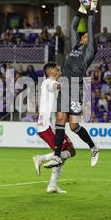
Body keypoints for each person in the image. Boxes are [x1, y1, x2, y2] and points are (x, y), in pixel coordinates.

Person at [47, 0, 100, 168]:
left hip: (76, 87)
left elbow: (90, 28)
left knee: (74, 125)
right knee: (60, 118)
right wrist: (81, 8)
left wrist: (91, 9)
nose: (83, 36)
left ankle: (93, 147)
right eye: (83, 35)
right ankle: (56, 155)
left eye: (85, 36)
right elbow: (72, 26)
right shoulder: (75, 48)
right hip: (65, 86)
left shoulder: (90, 49)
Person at [32, 62, 76, 194]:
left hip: (52, 124)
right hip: (48, 125)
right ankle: (41, 159)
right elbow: (58, 86)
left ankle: (52, 185)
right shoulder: (48, 82)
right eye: (57, 70)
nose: (59, 72)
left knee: (70, 151)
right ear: (50, 71)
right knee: (62, 153)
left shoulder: (48, 84)